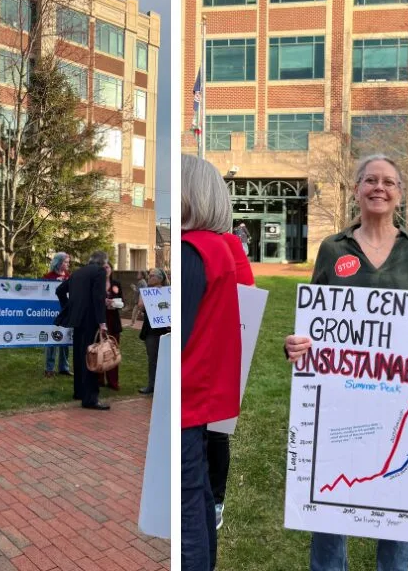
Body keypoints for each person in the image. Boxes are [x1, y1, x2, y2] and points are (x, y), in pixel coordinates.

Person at [283, 154, 408, 571]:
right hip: (340, 403)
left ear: (400, 193)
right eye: (370, 180)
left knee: (399, 493)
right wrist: (295, 346)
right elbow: (315, 323)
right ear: (356, 189)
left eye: (388, 182)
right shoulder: (333, 248)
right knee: (331, 501)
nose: (378, 188)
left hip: (402, 400)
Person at [181, 155, 244, 571]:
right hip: (206, 398)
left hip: (188, 401)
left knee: (188, 515)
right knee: (198, 502)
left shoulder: (194, 252)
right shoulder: (224, 249)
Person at [206, 231, 257, 531]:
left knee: (215, 431)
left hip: (216, 350)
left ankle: (215, 501)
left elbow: (248, 298)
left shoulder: (228, 243)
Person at [55, 252, 111, 411]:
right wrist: (102, 322)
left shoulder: (78, 272)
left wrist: (68, 308)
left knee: (79, 356)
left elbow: (60, 290)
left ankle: (79, 392)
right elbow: (98, 297)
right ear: (102, 263)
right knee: (92, 357)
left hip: (77, 320)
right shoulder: (99, 272)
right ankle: (90, 399)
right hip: (90, 320)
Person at [138, 268, 170, 396]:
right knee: (153, 358)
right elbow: (140, 306)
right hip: (151, 330)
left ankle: (166, 384)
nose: (149, 278)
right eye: (149, 275)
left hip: (166, 329)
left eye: (152, 276)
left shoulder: (168, 292)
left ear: (159, 278)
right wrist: (145, 295)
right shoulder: (146, 292)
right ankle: (152, 385)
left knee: (167, 359)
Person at [44, 253, 71, 377]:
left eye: (68, 262)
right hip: (51, 313)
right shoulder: (48, 276)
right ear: (59, 262)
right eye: (66, 262)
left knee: (65, 338)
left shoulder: (70, 277)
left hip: (65, 312)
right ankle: (49, 368)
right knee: (52, 339)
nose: (67, 264)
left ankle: (64, 367)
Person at [99, 264, 123, 391]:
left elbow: (122, 301)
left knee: (113, 351)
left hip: (113, 320)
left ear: (111, 269)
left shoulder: (116, 284)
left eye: (107, 267)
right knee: (100, 349)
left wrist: (114, 304)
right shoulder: (96, 284)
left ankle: (113, 381)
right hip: (100, 320)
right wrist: (103, 302)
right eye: (103, 267)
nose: (105, 269)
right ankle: (99, 379)